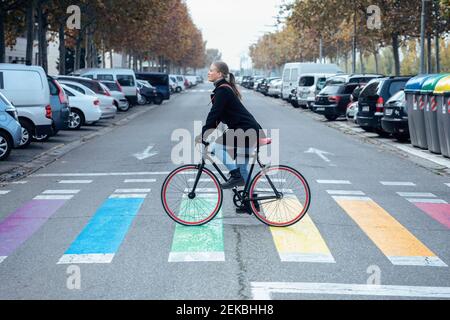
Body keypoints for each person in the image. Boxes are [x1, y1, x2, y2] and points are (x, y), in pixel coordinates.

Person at [195, 61, 264, 213]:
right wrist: (206, 132)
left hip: (245, 131)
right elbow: (218, 118)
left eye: (211, 70)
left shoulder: (223, 91)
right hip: (247, 130)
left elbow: (215, 114)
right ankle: (251, 203)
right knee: (243, 169)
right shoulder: (223, 89)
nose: (208, 72)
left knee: (216, 147)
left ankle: (235, 175)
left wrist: (205, 133)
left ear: (219, 74)